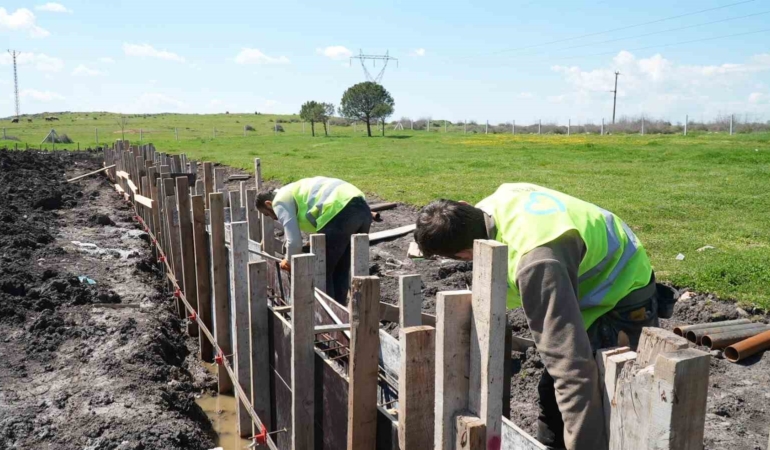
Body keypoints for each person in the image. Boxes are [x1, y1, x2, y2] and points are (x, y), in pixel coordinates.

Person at [414, 183, 669, 450]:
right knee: (553, 399)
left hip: (621, 295)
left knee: (618, 404)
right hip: (590, 283)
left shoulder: (536, 262)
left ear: (464, 254)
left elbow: (572, 368)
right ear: (466, 205)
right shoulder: (497, 200)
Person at [256, 177, 372, 305]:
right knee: (341, 269)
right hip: (363, 210)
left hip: (339, 211)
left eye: (268, 214)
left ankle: (327, 318)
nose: (272, 217)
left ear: (268, 204)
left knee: (322, 271)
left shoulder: (279, 201)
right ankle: (340, 313)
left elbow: (294, 242)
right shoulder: (293, 191)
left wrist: (288, 261)